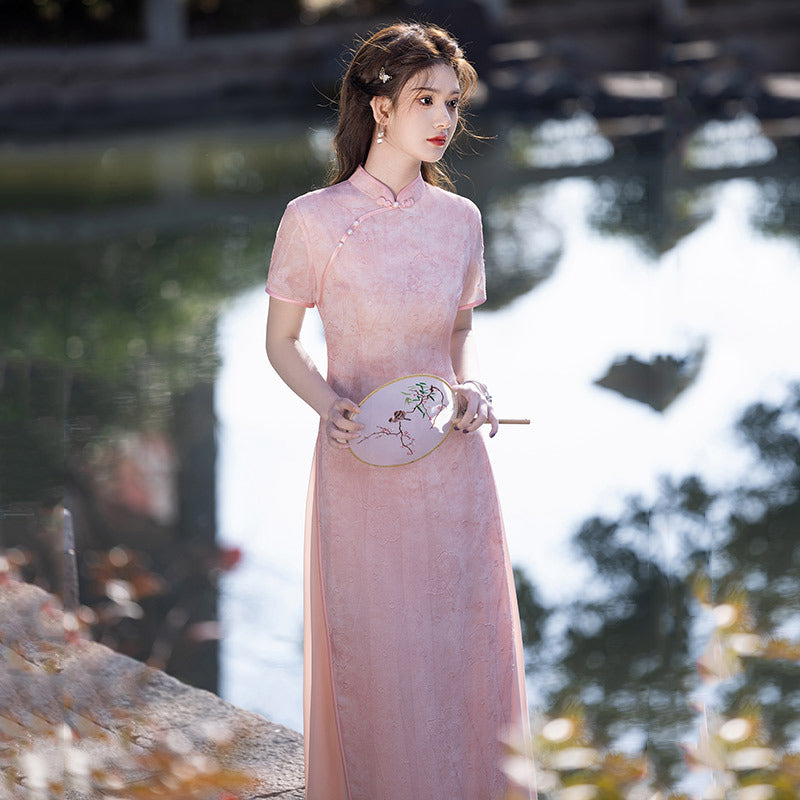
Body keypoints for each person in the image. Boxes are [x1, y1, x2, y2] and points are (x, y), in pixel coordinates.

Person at [265, 21, 535, 800]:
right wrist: (329, 407)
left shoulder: (462, 221)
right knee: (378, 648)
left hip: (455, 464)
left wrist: (474, 387)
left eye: (451, 101)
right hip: (361, 461)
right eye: (424, 99)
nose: (443, 118)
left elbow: (459, 331)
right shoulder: (311, 219)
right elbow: (283, 344)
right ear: (380, 107)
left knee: (463, 639)